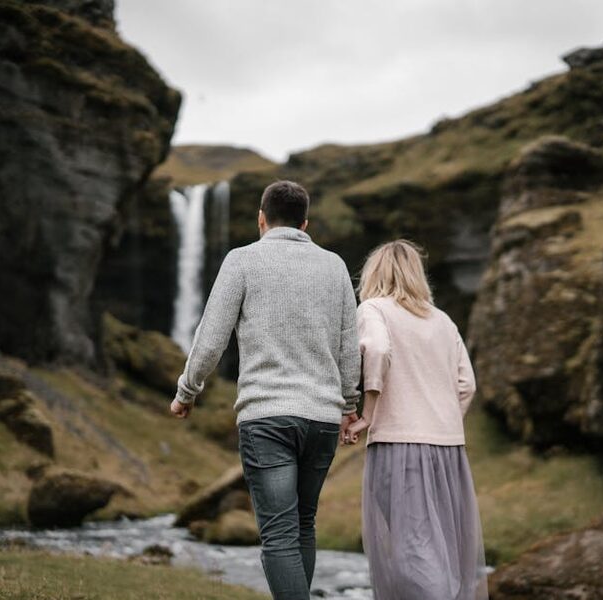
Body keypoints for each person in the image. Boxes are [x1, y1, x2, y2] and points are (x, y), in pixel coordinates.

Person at [170, 180, 361, 600]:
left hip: (267, 418)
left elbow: (210, 336)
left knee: (278, 533)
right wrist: (349, 405)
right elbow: (350, 346)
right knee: (303, 524)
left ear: (261, 218)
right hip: (323, 419)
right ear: (305, 223)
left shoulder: (242, 260)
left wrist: (187, 391)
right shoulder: (334, 266)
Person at [345, 239, 488, 600]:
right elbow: (466, 385)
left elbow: (377, 349)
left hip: (399, 445)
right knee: (441, 548)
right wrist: (441, 422)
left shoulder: (373, 309)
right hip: (449, 451)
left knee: (412, 547)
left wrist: (368, 414)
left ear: (374, 272)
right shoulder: (443, 320)